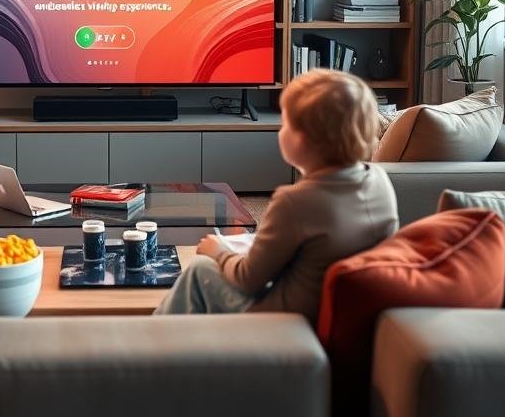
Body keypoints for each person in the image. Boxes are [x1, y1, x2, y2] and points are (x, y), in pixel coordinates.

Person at [155, 68, 398, 325]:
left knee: (200, 269)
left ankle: (153, 339)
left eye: (286, 122)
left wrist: (218, 251)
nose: (281, 129)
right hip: (339, 311)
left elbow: (248, 280)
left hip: (286, 319)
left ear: (303, 140)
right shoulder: (379, 180)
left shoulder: (295, 202)